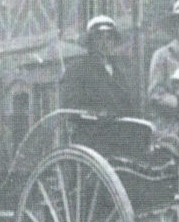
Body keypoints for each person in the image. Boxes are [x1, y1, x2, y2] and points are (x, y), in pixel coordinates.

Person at [59, 15, 138, 155]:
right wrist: (97, 113)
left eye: (109, 38)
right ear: (90, 42)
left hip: (121, 132)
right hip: (93, 135)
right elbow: (71, 106)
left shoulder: (120, 71)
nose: (105, 43)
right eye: (99, 38)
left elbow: (130, 104)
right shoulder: (78, 69)